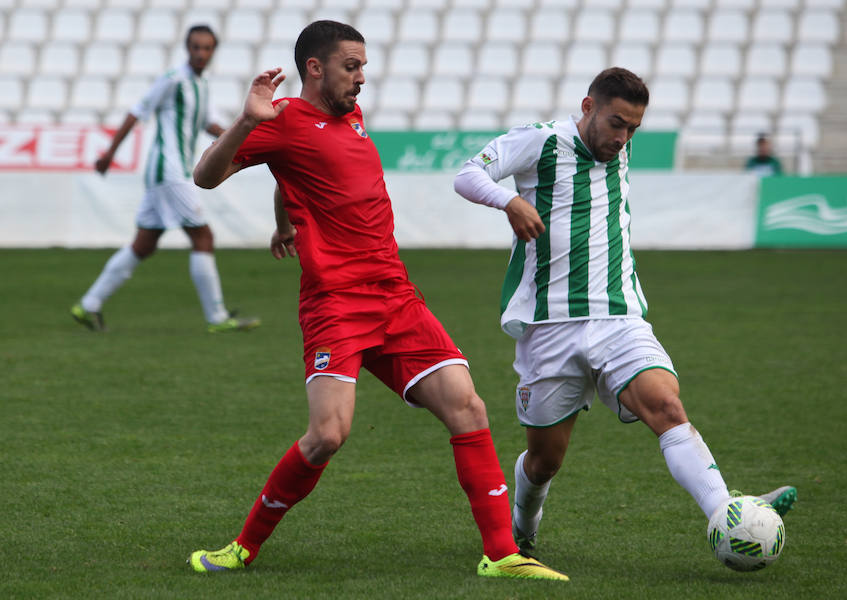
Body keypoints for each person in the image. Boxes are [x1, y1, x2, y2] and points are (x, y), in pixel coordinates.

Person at [186, 20, 568, 581]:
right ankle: (241, 547)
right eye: (351, 66)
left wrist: (284, 223)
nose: (362, 78)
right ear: (314, 68)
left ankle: (501, 555)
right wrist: (247, 120)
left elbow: (291, 175)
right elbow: (204, 177)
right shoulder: (283, 118)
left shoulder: (352, 117)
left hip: (395, 297)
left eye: (363, 66)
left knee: (468, 407)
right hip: (335, 305)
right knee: (327, 436)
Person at [453, 67, 797, 560]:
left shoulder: (617, 145)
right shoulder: (540, 141)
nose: (623, 137)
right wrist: (509, 200)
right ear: (587, 107)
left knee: (666, 406)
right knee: (544, 461)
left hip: (619, 317)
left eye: (633, 128)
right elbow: (466, 174)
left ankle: (727, 512)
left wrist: (620, 133)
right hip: (548, 327)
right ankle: (522, 528)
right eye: (616, 123)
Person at [70, 25, 260, 333]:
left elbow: (211, 125)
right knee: (203, 237)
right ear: (187, 48)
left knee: (143, 245)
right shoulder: (173, 80)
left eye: (206, 48)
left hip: (169, 173)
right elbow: (136, 112)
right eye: (195, 47)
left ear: (213, 51)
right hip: (170, 172)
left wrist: (248, 142)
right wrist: (109, 154)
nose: (200, 53)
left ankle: (88, 305)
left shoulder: (202, 84)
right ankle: (217, 318)